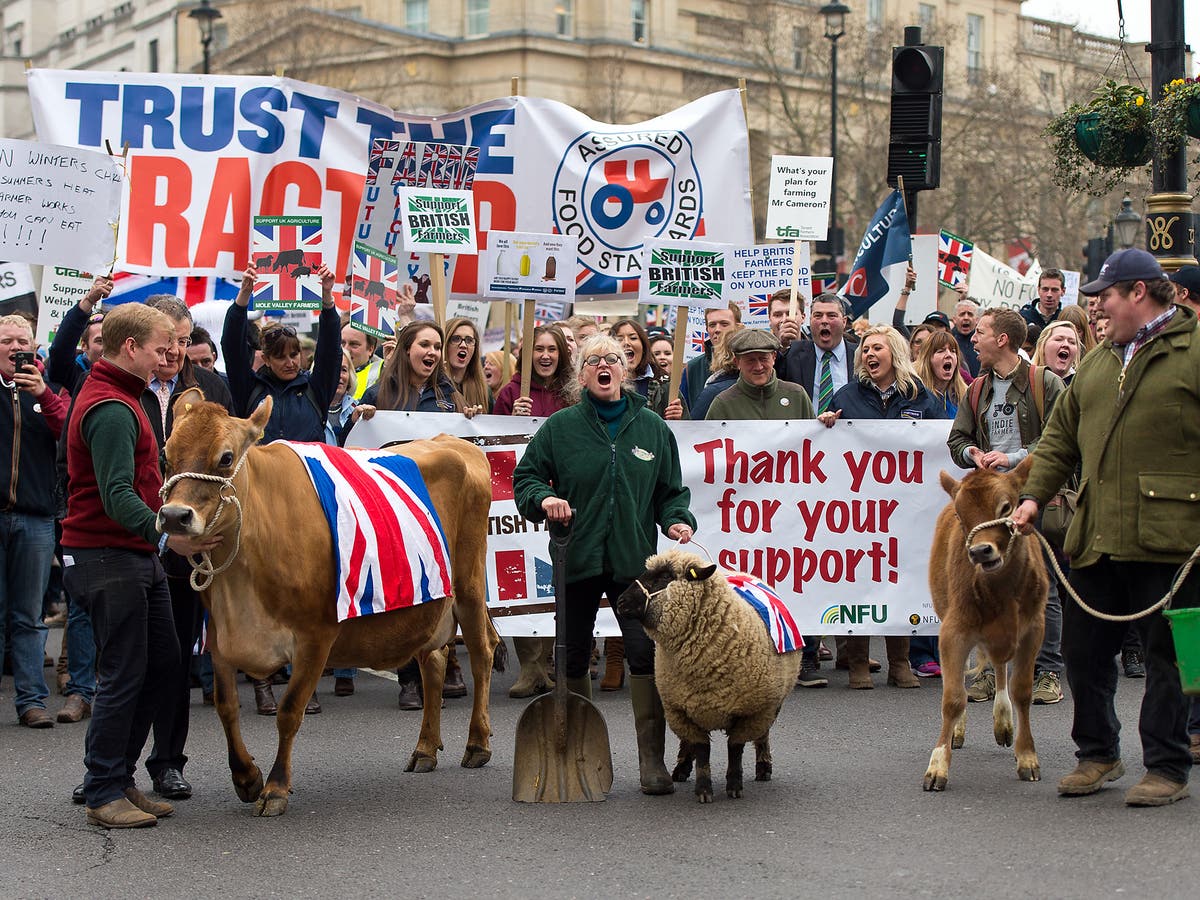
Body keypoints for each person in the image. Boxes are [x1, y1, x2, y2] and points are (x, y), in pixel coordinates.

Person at [1012, 248, 1200, 807]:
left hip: (1174, 538)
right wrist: (1032, 497)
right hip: (1096, 534)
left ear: (1139, 293)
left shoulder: (1193, 352)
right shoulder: (1098, 363)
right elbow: (1058, 441)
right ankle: (1097, 754)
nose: (1096, 309)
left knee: (1170, 657)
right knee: (1082, 652)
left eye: (1106, 298)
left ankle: (1166, 767)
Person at [513, 333, 696, 795]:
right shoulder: (560, 427)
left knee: (643, 653)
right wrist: (546, 498)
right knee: (571, 655)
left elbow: (670, 493)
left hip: (633, 563)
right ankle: (577, 753)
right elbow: (525, 479)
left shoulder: (652, 427)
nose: (603, 366)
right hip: (576, 557)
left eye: (612, 359)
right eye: (593, 360)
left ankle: (651, 761)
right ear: (581, 374)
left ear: (625, 370)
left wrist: (676, 521)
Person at [62, 303, 222, 828]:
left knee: (161, 665)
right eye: (158, 348)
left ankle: (120, 779)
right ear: (130, 347)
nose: (165, 358)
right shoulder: (111, 407)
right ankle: (103, 789)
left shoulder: (122, 396)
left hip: (129, 557)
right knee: (124, 675)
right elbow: (114, 495)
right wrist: (166, 530)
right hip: (109, 557)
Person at [223, 263, 340, 714]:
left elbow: (330, 347)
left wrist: (327, 301)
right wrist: (243, 298)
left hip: (309, 501)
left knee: (305, 590)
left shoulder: (316, 388)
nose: (290, 361)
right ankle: (262, 680)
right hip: (264, 505)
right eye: (281, 355)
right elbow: (232, 348)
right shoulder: (248, 391)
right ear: (266, 359)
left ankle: (300, 678)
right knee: (263, 588)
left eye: (296, 354)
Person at [139, 296, 235, 801]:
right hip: (135, 541)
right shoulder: (125, 388)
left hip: (193, 551)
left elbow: (233, 465)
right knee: (129, 662)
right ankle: (107, 768)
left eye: (184, 339)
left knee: (176, 657)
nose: (177, 351)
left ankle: (167, 762)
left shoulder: (212, 388)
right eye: (169, 341)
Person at [947, 307, 1067, 706]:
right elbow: (957, 440)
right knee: (987, 584)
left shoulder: (1044, 382)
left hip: (1037, 496)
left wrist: (1013, 459)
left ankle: (1046, 672)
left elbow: (1061, 438)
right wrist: (973, 454)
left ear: (1001, 339)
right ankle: (987, 669)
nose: (973, 340)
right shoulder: (978, 388)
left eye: (979, 332)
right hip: (991, 505)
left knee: (1040, 588)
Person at [817, 324, 947, 689]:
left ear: (895, 353)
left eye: (877, 349)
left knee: (900, 579)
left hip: (905, 510)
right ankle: (858, 662)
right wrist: (826, 422)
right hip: (859, 512)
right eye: (866, 350)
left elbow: (940, 443)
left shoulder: (921, 398)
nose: (869, 355)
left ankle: (900, 662)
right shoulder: (847, 394)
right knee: (859, 582)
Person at [353, 321, 472, 708]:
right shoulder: (381, 394)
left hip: (438, 510)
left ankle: (442, 661)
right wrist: (361, 420)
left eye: (438, 346)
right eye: (425, 345)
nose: (433, 352)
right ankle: (408, 676)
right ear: (407, 350)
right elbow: (351, 450)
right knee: (404, 589)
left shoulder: (448, 397)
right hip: (394, 510)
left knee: (441, 585)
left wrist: (469, 419)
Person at [705, 328, 825, 687]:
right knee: (748, 581)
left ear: (775, 358)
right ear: (737, 362)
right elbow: (708, 458)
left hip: (792, 505)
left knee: (799, 573)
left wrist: (827, 427)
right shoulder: (722, 403)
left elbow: (815, 448)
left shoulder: (797, 395)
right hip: (744, 512)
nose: (758, 365)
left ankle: (805, 656)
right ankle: (747, 656)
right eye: (749, 359)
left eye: (764, 358)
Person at [493, 325, 573, 697]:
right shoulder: (511, 392)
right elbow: (491, 438)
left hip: (563, 496)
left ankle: (555, 658)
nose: (544, 356)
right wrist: (511, 412)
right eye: (537, 349)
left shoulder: (572, 393)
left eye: (551, 350)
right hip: (521, 496)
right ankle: (530, 666)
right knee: (522, 576)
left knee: (558, 576)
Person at [1, 315, 69, 728]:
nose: (14, 347)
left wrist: (44, 394)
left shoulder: (49, 393)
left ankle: (31, 702)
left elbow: (67, 433)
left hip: (35, 520)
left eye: (22, 340)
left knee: (28, 616)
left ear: (34, 347)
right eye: (6, 340)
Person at [776, 292, 855, 410]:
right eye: (818, 315)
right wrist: (782, 345)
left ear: (844, 322)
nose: (824, 321)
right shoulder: (792, 354)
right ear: (810, 320)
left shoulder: (860, 355)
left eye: (831, 315)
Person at [609, 318, 685, 420]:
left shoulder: (665, 386)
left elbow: (686, 431)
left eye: (633, 338)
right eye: (619, 339)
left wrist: (679, 418)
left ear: (643, 345)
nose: (626, 343)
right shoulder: (602, 385)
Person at [681, 303, 741, 410]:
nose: (717, 329)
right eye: (712, 325)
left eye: (724, 324)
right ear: (707, 329)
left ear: (738, 326)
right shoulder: (691, 369)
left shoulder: (751, 362)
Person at [915, 330, 968, 418]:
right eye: (940, 351)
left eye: (953, 351)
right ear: (927, 359)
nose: (948, 355)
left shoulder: (965, 397)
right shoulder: (914, 396)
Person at [443, 316, 491, 413]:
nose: (463, 345)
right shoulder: (436, 387)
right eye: (456, 339)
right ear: (445, 344)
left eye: (469, 340)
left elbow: (495, 426)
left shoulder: (483, 389)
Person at [341, 322, 383, 400]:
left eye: (353, 344)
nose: (345, 349)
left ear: (370, 349)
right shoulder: (325, 371)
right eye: (342, 343)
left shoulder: (383, 371)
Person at [952, 294, 981, 376]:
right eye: (962, 314)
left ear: (976, 320)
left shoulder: (984, 343)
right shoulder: (948, 342)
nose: (966, 317)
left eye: (970, 314)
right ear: (954, 319)